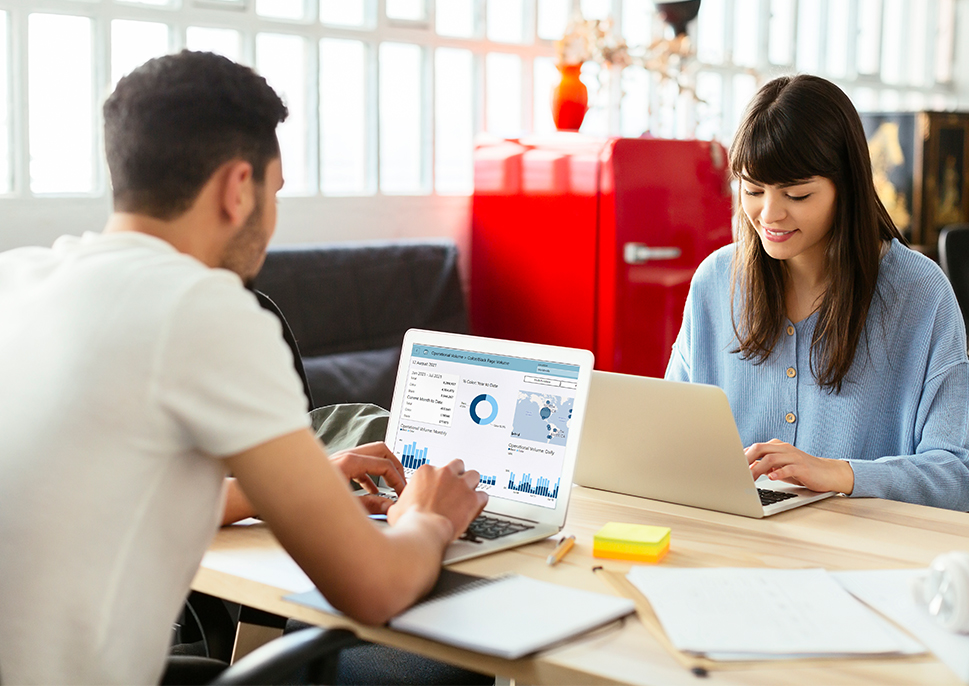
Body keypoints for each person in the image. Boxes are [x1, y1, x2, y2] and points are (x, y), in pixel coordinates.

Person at [0, 50, 487, 685]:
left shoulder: (18, 281)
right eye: (274, 193)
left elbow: (94, 492)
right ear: (237, 188)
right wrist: (429, 515)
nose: (272, 221)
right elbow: (376, 588)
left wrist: (276, 487)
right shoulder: (205, 309)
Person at [665, 74, 969, 511]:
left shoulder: (920, 293)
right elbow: (668, 441)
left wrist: (842, 473)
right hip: (735, 544)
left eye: (797, 194)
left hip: (866, 556)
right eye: (752, 190)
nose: (769, 213)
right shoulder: (716, 281)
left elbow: (957, 474)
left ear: (846, 187)